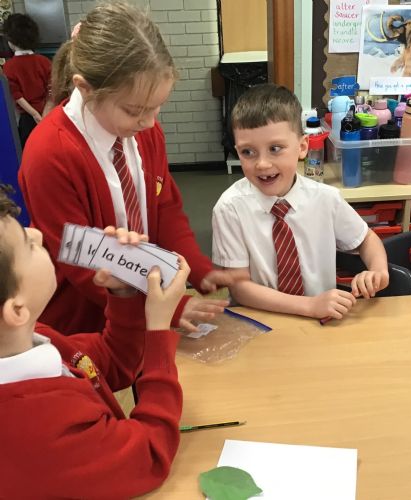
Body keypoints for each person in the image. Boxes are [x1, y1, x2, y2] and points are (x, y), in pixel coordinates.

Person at [19, 2, 243, 335]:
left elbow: (164, 208)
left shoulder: (145, 133)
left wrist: (198, 268)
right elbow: (82, 262)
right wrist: (164, 307)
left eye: (157, 107)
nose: (149, 122)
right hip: (82, 327)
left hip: (144, 309)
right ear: (85, 88)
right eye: (134, 110)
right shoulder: (49, 153)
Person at [0, 184, 186, 497]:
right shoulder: (34, 427)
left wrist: (123, 293)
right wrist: (158, 328)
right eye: (27, 245)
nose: (37, 234)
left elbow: (110, 364)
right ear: (17, 310)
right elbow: (149, 455)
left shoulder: (31, 338)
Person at [212, 83, 389, 320]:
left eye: (275, 148)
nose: (262, 164)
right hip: (260, 319)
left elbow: (366, 239)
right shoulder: (229, 209)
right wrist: (309, 306)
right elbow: (239, 288)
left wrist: (378, 270)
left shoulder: (326, 199)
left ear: (303, 147)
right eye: (247, 152)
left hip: (321, 320)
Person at [2, 13, 52, 148]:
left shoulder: (9, 66)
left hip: (27, 119)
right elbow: (52, 89)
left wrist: (34, 114)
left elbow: (16, 95)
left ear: (11, 41)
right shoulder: (44, 61)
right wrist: (45, 112)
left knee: (30, 149)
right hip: (48, 114)